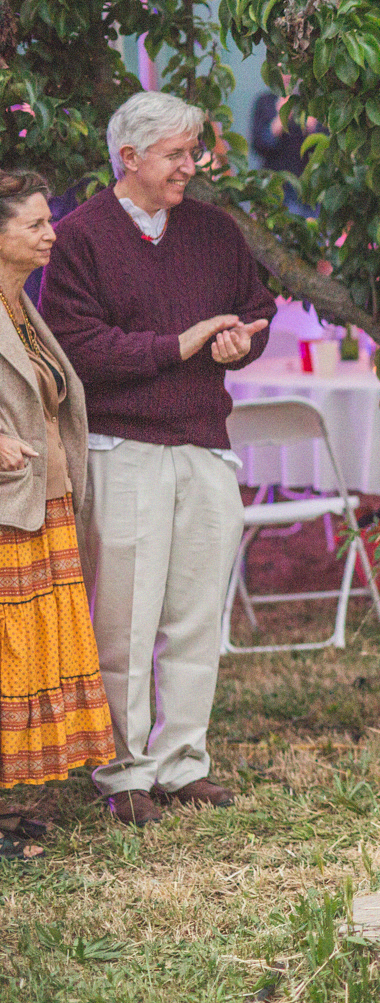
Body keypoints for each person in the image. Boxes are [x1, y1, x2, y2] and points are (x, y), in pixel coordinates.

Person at [40, 91, 273, 827]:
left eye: (193, 150)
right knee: (124, 620)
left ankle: (183, 762)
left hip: (204, 442)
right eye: (176, 153)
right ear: (129, 157)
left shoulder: (213, 230)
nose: (190, 165)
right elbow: (77, 349)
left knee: (196, 615)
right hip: (122, 448)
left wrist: (240, 344)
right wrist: (179, 345)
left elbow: (256, 309)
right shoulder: (79, 237)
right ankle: (124, 770)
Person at [0, 171, 115, 859]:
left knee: (29, 657)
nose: (53, 234)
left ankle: (6, 804)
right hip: (6, 509)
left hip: (43, 501)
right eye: (37, 224)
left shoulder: (19, 303)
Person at [250, 84, 316, 216]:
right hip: (275, 187)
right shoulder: (266, 102)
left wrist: (313, 126)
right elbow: (259, 145)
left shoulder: (311, 104)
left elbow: (325, 145)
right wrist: (281, 119)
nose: (286, 77)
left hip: (306, 190)